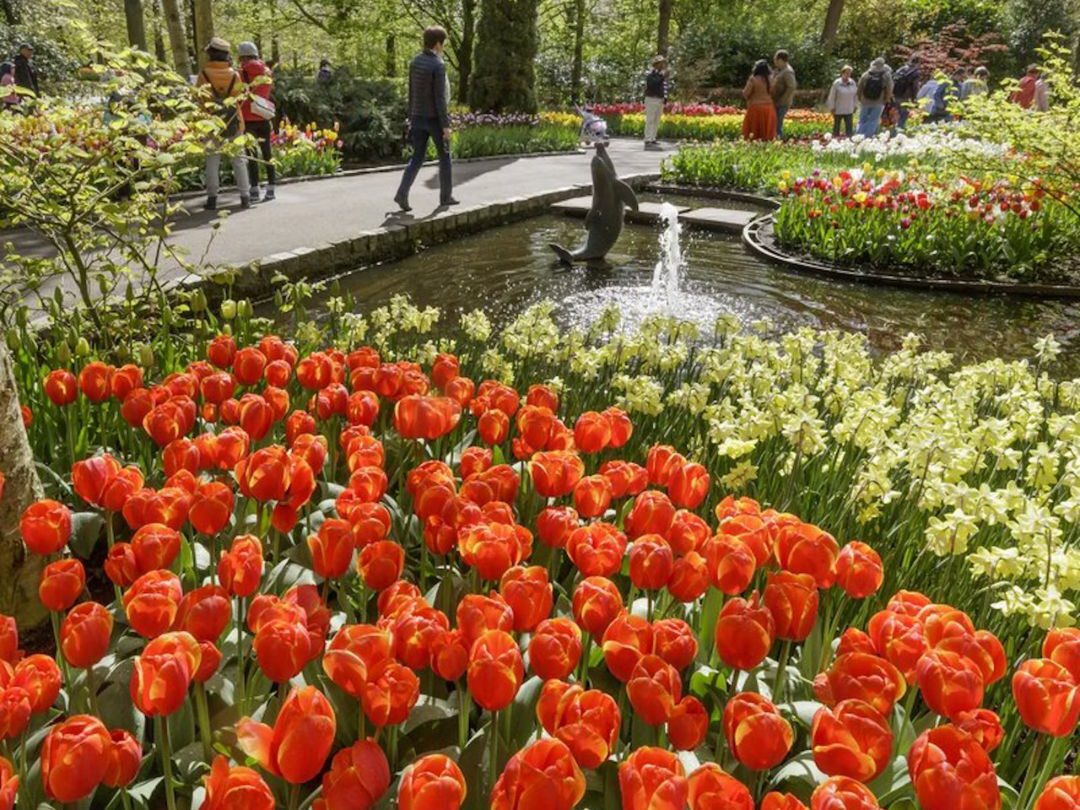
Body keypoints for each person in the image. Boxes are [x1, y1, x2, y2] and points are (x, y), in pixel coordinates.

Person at [394, 26, 456, 212]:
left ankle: (402, 193)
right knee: (445, 157)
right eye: (443, 43)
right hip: (434, 120)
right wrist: (445, 126)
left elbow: (411, 92)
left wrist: (410, 116)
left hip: (418, 117)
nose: (443, 47)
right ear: (437, 44)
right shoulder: (438, 65)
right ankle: (445, 197)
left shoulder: (415, 62)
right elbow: (439, 98)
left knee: (417, 158)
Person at [197, 37, 250, 211]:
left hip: (211, 123)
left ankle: (212, 199)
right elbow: (240, 97)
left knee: (212, 161)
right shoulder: (235, 75)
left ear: (211, 54)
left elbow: (199, 98)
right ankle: (245, 197)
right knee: (239, 160)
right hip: (234, 120)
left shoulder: (204, 74)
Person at [238, 41, 276, 203]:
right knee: (267, 154)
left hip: (248, 118)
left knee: (252, 155)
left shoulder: (241, 73)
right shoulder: (267, 72)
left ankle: (254, 190)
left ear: (243, 57)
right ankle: (271, 189)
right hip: (264, 116)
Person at [741, 59, 777, 141]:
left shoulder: (753, 79)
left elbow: (746, 93)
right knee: (767, 131)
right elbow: (773, 93)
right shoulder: (771, 79)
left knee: (754, 131)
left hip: (755, 108)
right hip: (769, 108)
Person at [856, 57, 893, 136]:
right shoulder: (886, 75)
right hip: (878, 102)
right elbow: (889, 89)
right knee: (873, 120)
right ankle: (868, 137)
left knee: (862, 120)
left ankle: (859, 135)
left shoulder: (866, 74)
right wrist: (886, 99)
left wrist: (859, 98)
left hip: (865, 101)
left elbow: (859, 87)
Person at [771, 50, 796, 139]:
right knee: (774, 122)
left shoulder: (788, 72)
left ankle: (778, 140)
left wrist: (782, 100)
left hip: (782, 103)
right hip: (776, 101)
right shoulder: (779, 70)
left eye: (775, 60)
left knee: (778, 123)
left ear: (781, 60)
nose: (774, 62)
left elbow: (791, 87)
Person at [826, 65, 857, 137]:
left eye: (849, 73)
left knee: (849, 129)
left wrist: (855, 105)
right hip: (838, 109)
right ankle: (835, 140)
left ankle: (849, 141)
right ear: (842, 73)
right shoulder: (837, 83)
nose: (848, 75)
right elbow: (832, 96)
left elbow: (855, 95)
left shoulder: (852, 82)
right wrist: (832, 107)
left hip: (849, 109)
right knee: (836, 127)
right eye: (846, 73)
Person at [643, 54, 667, 148]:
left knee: (657, 120)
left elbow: (664, 88)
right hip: (652, 99)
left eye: (663, 63)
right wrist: (662, 77)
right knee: (650, 120)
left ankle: (653, 138)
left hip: (660, 99)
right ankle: (648, 139)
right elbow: (653, 84)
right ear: (656, 64)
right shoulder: (651, 74)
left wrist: (665, 98)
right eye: (660, 63)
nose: (662, 65)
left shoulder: (661, 75)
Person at [891, 54, 920, 129]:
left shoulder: (901, 69)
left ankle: (893, 131)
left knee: (896, 114)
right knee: (903, 115)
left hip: (896, 94)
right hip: (906, 96)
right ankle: (899, 131)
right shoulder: (915, 72)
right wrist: (915, 98)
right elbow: (915, 86)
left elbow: (893, 80)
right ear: (918, 62)